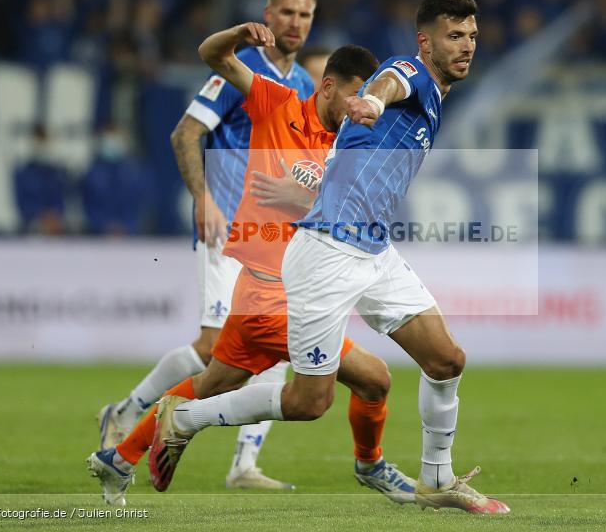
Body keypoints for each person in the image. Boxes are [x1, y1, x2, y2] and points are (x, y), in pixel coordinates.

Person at [151, 0, 510, 514]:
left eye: (473, 36)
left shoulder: (436, 94)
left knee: (446, 358)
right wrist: (374, 100)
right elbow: (392, 81)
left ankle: (438, 478)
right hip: (326, 253)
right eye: (455, 36)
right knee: (308, 402)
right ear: (426, 41)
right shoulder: (407, 72)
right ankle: (183, 419)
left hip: (373, 249)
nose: (467, 46)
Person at [89, 30, 415, 506]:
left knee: (209, 383)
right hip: (274, 297)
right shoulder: (276, 102)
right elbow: (212, 55)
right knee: (366, 381)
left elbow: (362, 212)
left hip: (281, 295)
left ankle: (118, 459)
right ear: (327, 87)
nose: (361, 108)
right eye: (355, 96)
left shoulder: (349, 145)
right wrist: (241, 35)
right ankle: (371, 465)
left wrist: (299, 197)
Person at [92, 0, 316, 492]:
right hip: (227, 229)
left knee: (282, 343)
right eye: (286, 12)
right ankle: (127, 412)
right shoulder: (243, 70)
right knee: (216, 347)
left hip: (271, 237)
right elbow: (185, 133)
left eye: (304, 15)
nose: (295, 23)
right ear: (268, 12)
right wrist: (203, 198)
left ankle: (244, 465)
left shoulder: (303, 84)